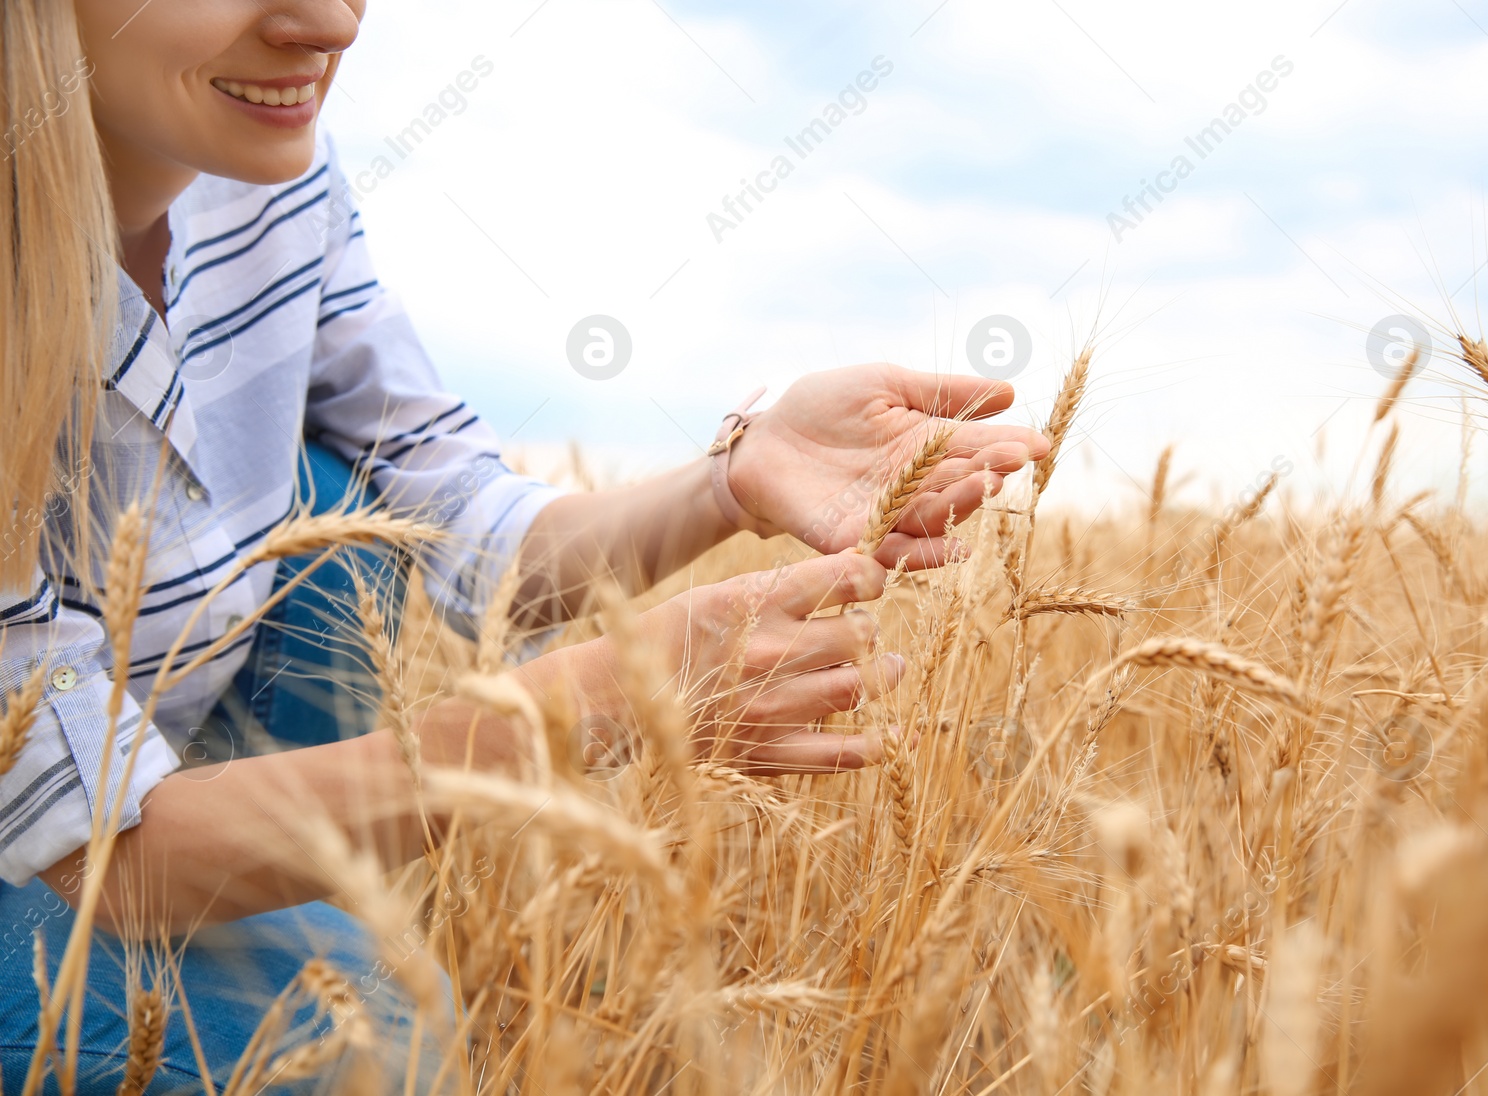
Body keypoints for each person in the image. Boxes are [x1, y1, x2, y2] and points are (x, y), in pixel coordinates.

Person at [0, 0, 1049, 1090]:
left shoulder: (261, 171)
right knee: (375, 1043)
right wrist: (585, 712)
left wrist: (733, 477)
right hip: (57, 847)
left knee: (344, 528)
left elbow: (450, 507)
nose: (330, 22)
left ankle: (290, 893)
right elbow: (104, 857)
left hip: (143, 741)